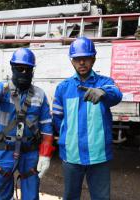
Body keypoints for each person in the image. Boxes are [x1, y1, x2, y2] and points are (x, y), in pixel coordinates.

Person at [0, 48, 55, 200]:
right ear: (12, 68)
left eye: (27, 69)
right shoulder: (3, 89)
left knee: (31, 195)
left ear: (33, 71)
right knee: (2, 194)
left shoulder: (40, 95)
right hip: (4, 152)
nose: (23, 72)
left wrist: (45, 155)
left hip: (30, 153)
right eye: (19, 69)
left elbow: (47, 128)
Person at [52, 37, 122, 200]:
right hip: (71, 156)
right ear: (72, 62)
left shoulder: (105, 82)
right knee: (70, 197)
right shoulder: (63, 88)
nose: (81, 62)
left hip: (99, 156)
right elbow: (57, 119)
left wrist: (103, 92)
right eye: (77, 59)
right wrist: (67, 138)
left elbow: (117, 94)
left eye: (86, 58)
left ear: (93, 59)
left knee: (101, 197)